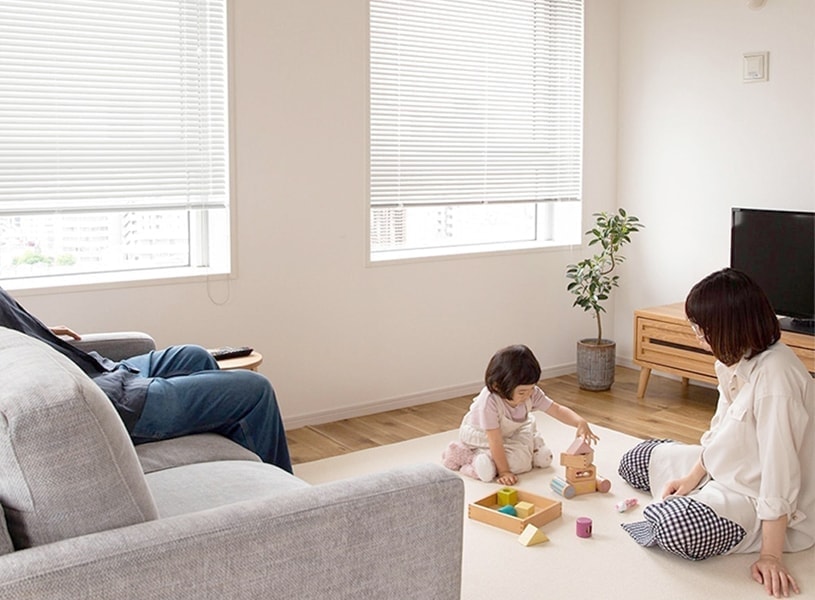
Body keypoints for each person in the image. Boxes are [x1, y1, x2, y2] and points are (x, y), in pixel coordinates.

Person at [618, 268, 814, 598]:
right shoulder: (731, 361)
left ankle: (702, 513)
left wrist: (771, 556)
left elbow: (780, 474)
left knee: (672, 526)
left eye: (701, 329)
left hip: (755, 497)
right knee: (634, 460)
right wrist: (691, 478)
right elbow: (719, 430)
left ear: (728, 327)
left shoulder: (776, 379)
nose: (697, 335)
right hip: (724, 468)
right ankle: (696, 498)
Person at [0, 286, 292, 473]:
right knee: (256, 391)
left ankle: (239, 473)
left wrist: (40, 331)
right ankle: (290, 507)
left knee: (193, 355)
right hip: (102, 399)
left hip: (94, 372)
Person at [443, 344, 599, 486]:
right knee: (518, 464)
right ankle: (467, 458)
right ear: (497, 387)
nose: (529, 395)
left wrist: (579, 422)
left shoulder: (531, 393)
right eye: (522, 392)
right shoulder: (489, 402)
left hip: (511, 431)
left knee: (530, 439)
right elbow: (495, 440)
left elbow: (556, 409)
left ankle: (529, 451)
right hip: (483, 435)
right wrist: (504, 471)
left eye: (532, 388)